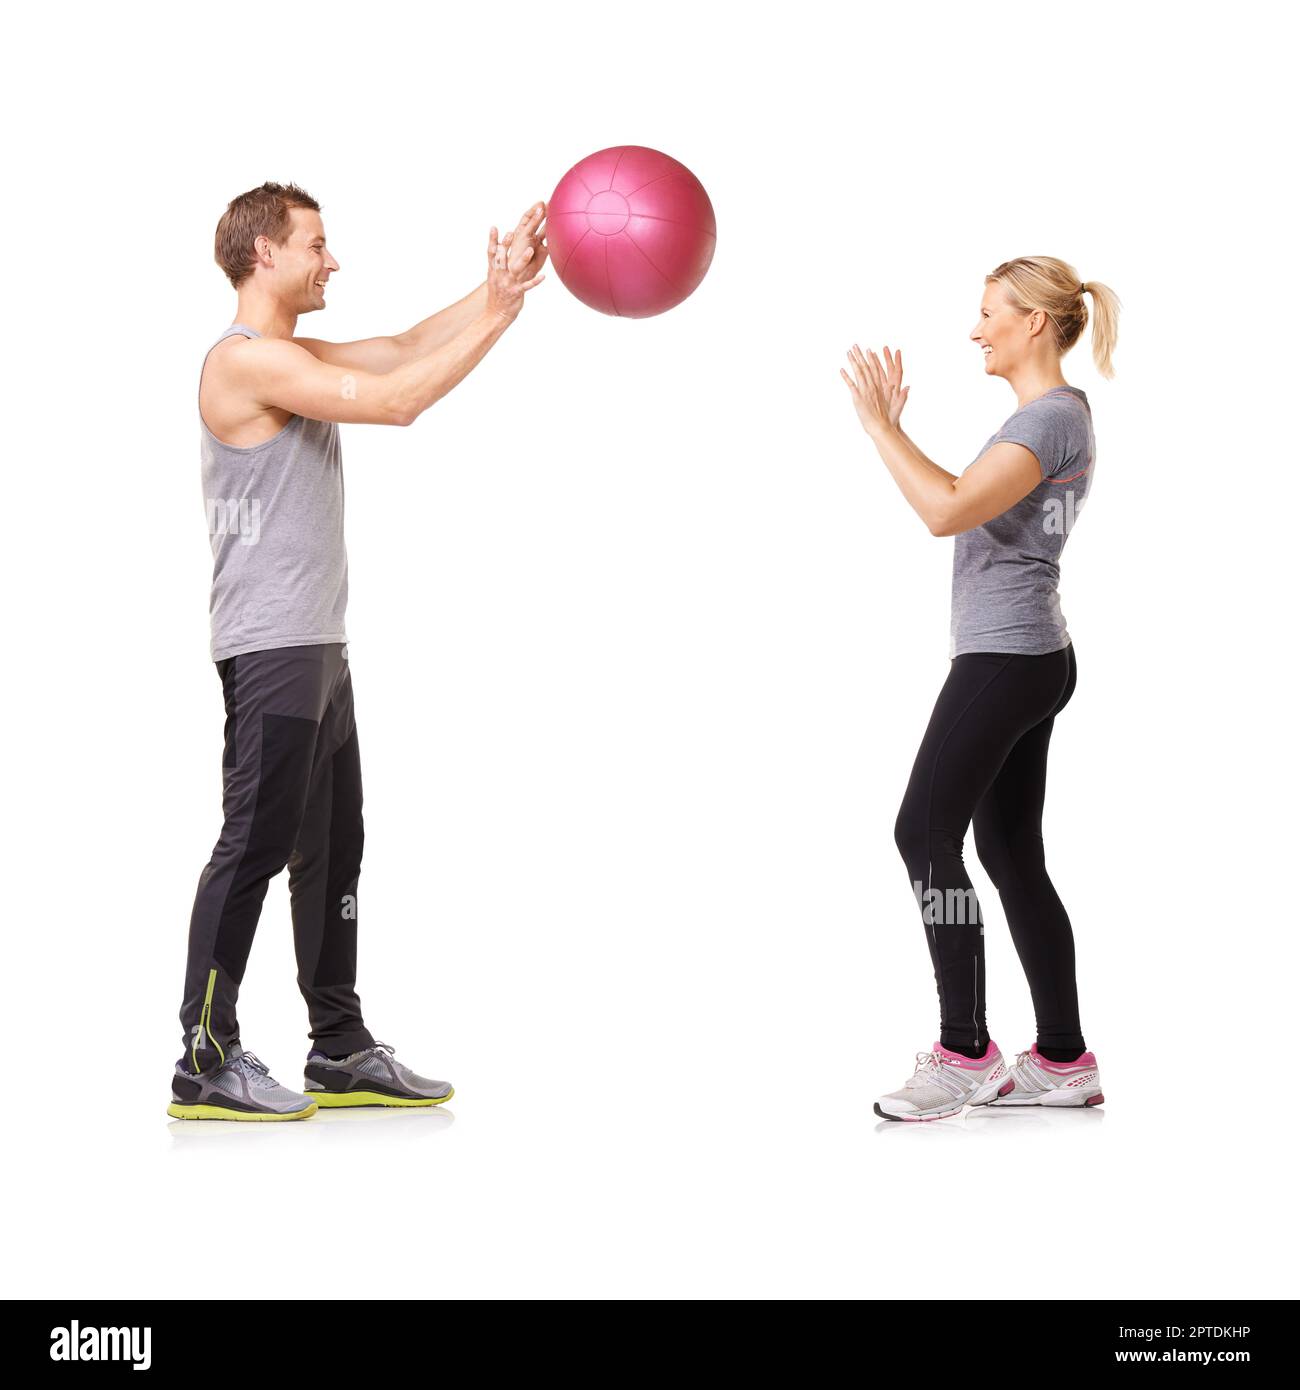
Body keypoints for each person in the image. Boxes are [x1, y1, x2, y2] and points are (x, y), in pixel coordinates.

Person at [169, 182, 547, 1120]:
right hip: (272, 650)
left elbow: (401, 349)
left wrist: (496, 287)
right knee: (253, 845)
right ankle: (204, 1055)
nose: (332, 260)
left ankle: (336, 1045)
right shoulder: (243, 364)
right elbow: (395, 399)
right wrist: (499, 317)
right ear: (265, 255)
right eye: (316, 244)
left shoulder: (289, 354)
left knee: (335, 853)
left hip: (322, 645)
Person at [840, 256, 1121, 1122]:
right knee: (1007, 854)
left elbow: (946, 508)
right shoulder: (1048, 419)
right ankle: (1064, 1059)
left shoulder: (1048, 420)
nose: (976, 329)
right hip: (1027, 656)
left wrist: (882, 427)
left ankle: (965, 1051)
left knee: (923, 832)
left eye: (989, 312)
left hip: (1008, 660)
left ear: (1034, 321)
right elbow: (962, 499)